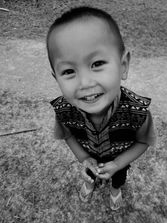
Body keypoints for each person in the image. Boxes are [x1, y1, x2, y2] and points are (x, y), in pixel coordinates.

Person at [47, 6, 156, 210]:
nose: (85, 82)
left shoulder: (137, 112)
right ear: (56, 78)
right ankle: (90, 182)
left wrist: (118, 163)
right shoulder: (63, 110)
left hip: (119, 160)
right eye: (69, 71)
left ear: (123, 65)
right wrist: (84, 158)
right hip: (90, 158)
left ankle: (115, 189)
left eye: (97, 63)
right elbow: (68, 135)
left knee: (119, 177)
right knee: (89, 171)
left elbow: (143, 141)